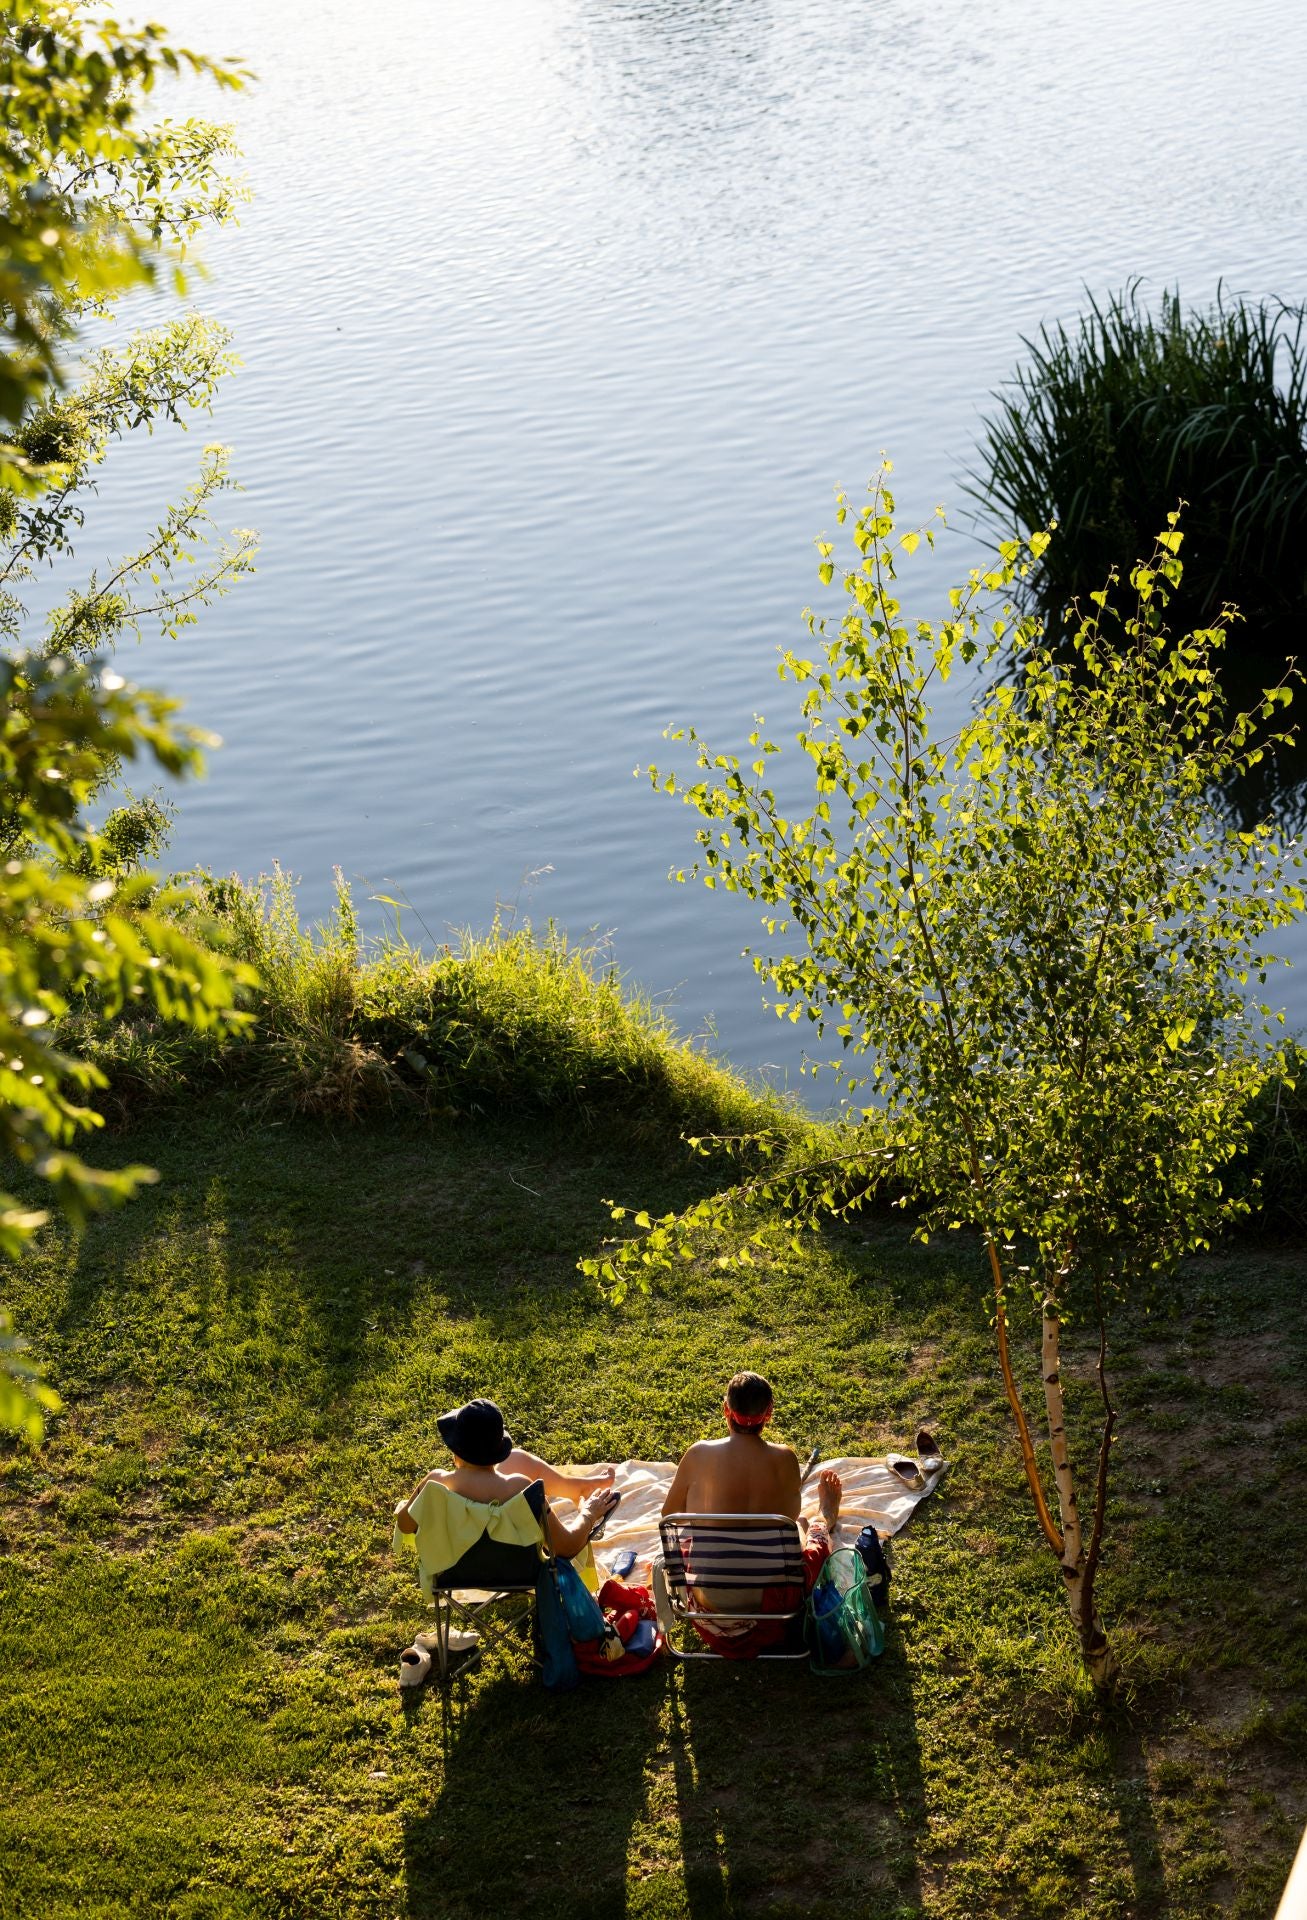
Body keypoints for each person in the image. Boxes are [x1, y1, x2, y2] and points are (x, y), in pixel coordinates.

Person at [659, 1370, 842, 1656]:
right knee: (805, 1524)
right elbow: (788, 1519)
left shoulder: (697, 1455)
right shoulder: (784, 1459)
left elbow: (669, 1515)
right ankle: (826, 1518)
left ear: (725, 1410)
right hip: (774, 1603)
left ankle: (820, 1520)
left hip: (707, 1601)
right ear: (768, 1415)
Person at [394, 1396, 620, 1567]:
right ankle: (578, 1490)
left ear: (456, 1451)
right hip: (518, 1571)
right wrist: (589, 1513)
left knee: (518, 1459)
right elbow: (566, 1547)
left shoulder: (435, 1484)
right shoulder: (522, 1489)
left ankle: (576, 1487)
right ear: (499, 1451)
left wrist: (408, 1504)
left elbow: (405, 1525)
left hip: (454, 1569)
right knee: (519, 1459)